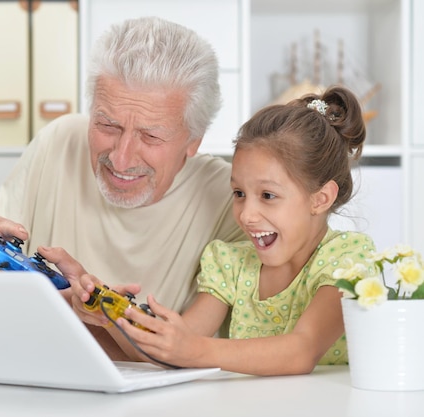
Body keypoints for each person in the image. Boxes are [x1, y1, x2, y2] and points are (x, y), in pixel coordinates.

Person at [0, 16, 245, 358]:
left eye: (150, 136)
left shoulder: (231, 200)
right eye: (107, 125)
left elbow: (185, 354)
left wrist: (97, 311)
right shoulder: (58, 141)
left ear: (194, 140)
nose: (120, 159)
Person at [69, 85, 376, 375]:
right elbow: (171, 351)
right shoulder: (230, 263)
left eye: (268, 196)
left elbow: (302, 350)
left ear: (320, 199)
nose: (247, 214)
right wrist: (108, 312)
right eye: (239, 193)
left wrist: (196, 351)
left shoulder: (347, 259)